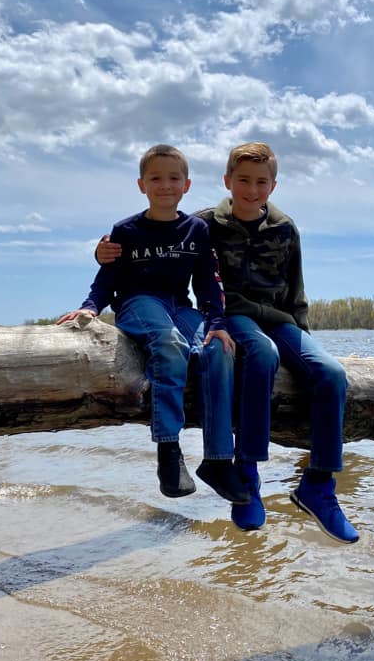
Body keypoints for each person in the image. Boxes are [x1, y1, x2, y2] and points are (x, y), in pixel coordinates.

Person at [97, 142, 358, 544]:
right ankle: (247, 473)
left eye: (260, 183)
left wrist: (304, 340)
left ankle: (318, 486)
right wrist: (105, 254)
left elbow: (296, 289)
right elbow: (165, 245)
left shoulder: (285, 228)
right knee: (260, 354)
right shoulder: (203, 224)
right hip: (232, 315)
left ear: (273, 185)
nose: (251, 190)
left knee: (331, 373)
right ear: (227, 181)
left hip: (280, 319)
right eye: (243, 181)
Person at [58, 144, 249, 505]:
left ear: (187, 185)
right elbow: (106, 278)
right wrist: (90, 308)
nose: (165, 185)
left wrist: (217, 323)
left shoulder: (196, 230)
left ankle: (219, 459)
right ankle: (168, 450)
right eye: (156, 178)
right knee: (170, 343)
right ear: (141, 184)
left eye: (174, 178)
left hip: (180, 306)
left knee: (219, 350)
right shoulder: (126, 230)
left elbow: (207, 282)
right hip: (137, 303)